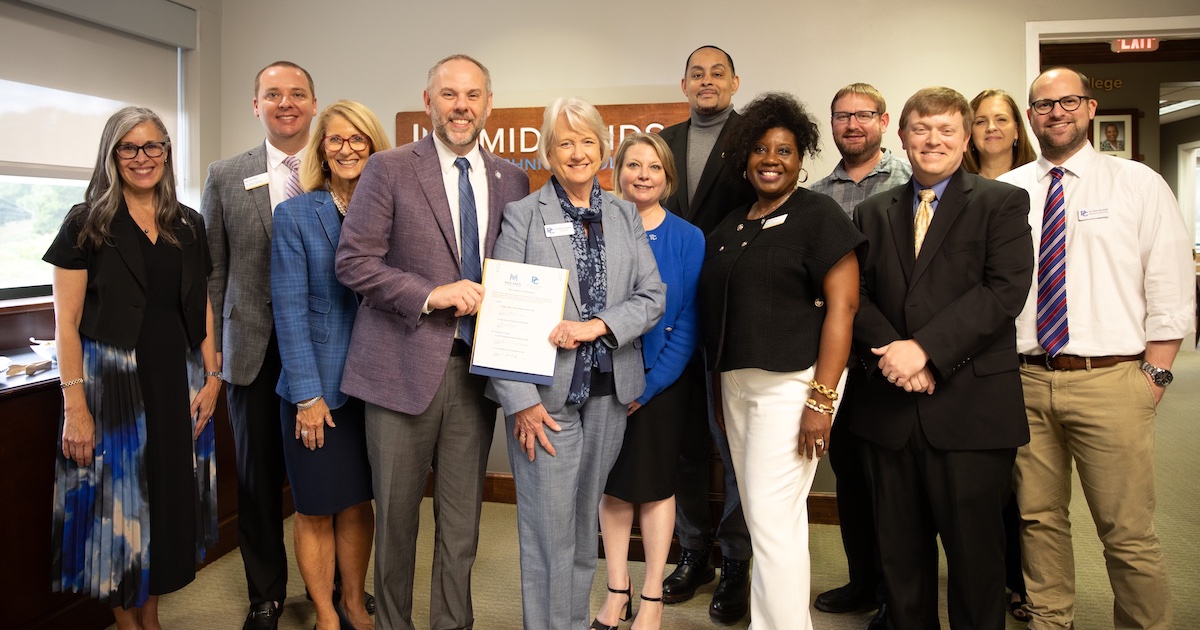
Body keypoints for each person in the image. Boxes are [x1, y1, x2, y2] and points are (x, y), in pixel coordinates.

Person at [334, 55, 529, 630]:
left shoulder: (512, 178)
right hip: (398, 369)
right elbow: (353, 262)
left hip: (475, 373)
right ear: (429, 102)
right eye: (449, 95)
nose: (461, 106)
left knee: (462, 524)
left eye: (472, 95)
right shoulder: (389, 168)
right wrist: (431, 293)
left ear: (489, 104)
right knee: (396, 522)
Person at [999, 67, 1194, 630]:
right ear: (1029, 117)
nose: (1055, 113)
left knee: (1126, 528)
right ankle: (1050, 620)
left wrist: (1154, 375)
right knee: (1038, 520)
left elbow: (1170, 287)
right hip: (1026, 379)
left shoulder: (1137, 183)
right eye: (1042, 104)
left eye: (1067, 102)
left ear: (1089, 109)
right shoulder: (1009, 192)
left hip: (1112, 380)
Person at [851, 87, 1034, 630]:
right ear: (902, 137)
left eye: (946, 130)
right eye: (921, 129)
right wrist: (896, 359)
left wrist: (924, 352)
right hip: (891, 411)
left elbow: (1003, 292)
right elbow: (854, 295)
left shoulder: (1000, 203)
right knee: (900, 561)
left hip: (970, 409)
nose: (933, 140)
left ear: (966, 137)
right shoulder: (871, 211)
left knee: (976, 560)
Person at [487, 97, 665, 630]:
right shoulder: (523, 216)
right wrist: (518, 402)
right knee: (548, 533)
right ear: (547, 152)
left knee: (583, 526)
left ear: (604, 150)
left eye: (588, 141)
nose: (578, 152)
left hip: (611, 393)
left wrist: (595, 327)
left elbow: (652, 296)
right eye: (565, 142)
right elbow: (501, 310)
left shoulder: (623, 213)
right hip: (544, 400)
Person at [46, 106, 221, 630]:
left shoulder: (187, 222)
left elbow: (203, 304)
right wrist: (74, 407)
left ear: (167, 152)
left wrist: (213, 377)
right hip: (114, 388)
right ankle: (129, 625)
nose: (142, 158)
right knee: (118, 508)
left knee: (165, 502)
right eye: (130, 148)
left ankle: (152, 618)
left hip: (178, 380)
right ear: (112, 154)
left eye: (153, 147)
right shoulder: (86, 222)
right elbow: (67, 321)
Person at [700, 91, 864, 629]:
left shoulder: (819, 215)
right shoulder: (731, 226)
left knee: (771, 522)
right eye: (762, 150)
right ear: (746, 157)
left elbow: (844, 309)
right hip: (737, 388)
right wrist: (725, 396)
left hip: (793, 389)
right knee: (767, 519)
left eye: (785, 151)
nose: (771, 159)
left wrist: (822, 399)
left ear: (801, 159)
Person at [202, 60, 317, 630]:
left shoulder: (339, 167)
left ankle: (340, 588)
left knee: (328, 479)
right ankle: (265, 596)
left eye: (297, 94)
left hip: (320, 351)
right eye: (273, 94)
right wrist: (211, 351)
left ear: (314, 105)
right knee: (257, 480)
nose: (286, 103)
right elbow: (213, 270)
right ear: (256, 105)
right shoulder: (225, 174)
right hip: (249, 351)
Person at [271, 100, 391, 630]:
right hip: (317, 383)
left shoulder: (393, 209)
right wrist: (307, 395)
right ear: (321, 148)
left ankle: (352, 602)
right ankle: (324, 611)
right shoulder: (296, 214)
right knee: (317, 506)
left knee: (357, 502)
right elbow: (290, 308)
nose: (347, 149)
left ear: (373, 144)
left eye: (358, 138)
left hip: (378, 384)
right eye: (336, 139)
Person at [657, 45, 756, 623]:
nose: (707, 81)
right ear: (685, 82)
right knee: (686, 445)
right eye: (697, 73)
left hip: (730, 313)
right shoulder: (663, 143)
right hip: (670, 316)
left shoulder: (755, 137)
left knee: (733, 447)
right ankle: (693, 552)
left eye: (718, 72)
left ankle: (737, 559)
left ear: (735, 81)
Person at [809, 82, 911, 629]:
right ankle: (862, 581)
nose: (852, 125)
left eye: (863, 115)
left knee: (892, 485)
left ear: (884, 120)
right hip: (837, 360)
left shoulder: (907, 181)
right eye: (842, 116)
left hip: (891, 352)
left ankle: (898, 596)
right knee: (849, 476)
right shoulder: (818, 195)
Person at [594, 133, 704, 630]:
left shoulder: (688, 236)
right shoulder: (598, 225)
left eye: (653, 167)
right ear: (617, 173)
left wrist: (650, 386)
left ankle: (654, 594)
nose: (642, 174)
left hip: (662, 383)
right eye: (633, 165)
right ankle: (618, 590)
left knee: (657, 488)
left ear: (667, 176)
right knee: (613, 488)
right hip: (605, 377)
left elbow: (687, 320)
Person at [961, 87, 1038, 624]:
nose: (991, 128)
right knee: (977, 488)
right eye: (980, 119)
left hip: (1023, 347)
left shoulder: (1030, 189)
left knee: (1024, 492)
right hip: (962, 354)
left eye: (1001, 119)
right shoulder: (945, 189)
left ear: (1018, 128)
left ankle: (1020, 580)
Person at [963, 89, 1037, 180]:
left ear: (1016, 130)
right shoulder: (955, 185)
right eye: (981, 121)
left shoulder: (1038, 181)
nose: (991, 127)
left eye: (1001, 120)